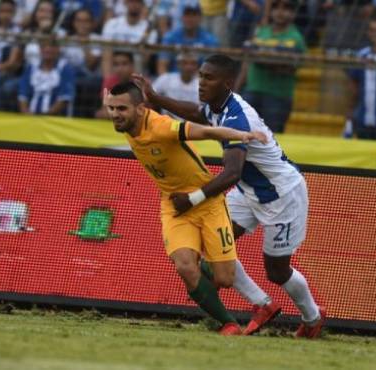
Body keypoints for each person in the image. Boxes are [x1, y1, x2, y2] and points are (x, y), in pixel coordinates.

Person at [134, 54, 326, 339]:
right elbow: (198, 114)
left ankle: (312, 319)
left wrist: (193, 199)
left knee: (276, 270)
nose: (201, 82)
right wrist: (157, 98)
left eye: (209, 78)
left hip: (282, 196)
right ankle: (262, 304)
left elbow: (232, 172)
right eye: (201, 75)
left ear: (227, 83)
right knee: (213, 246)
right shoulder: (218, 105)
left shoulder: (238, 117)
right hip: (249, 192)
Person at [104, 81, 272, 336]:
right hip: (174, 205)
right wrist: (112, 97)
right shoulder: (126, 123)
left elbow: (205, 132)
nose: (115, 115)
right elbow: (115, 100)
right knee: (184, 266)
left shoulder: (162, 127)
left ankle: (213, 280)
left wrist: (241, 135)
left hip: (207, 202)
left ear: (140, 109)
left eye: (121, 109)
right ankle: (227, 324)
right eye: (112, 108)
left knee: (225, 278)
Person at [236, 0, 306, 133]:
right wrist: (237, 90)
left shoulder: (296, 38)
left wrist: (262, 59)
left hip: (278, 97)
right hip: (252, 91)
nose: (280, 12)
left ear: (292, 13)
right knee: (243, 134)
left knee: (272, 140)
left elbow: (291, 68)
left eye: (286, 8)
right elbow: (247, 62)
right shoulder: (261, 31)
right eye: (276, 7)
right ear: (271, 11)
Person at [17, 39, 75, 115]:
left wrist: (44, 117)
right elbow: (22, 94)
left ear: (58, 49)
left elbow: (65, 98)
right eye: (44, 46)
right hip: (29, 118)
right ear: (40, 49)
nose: (48, 49)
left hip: (54, 120)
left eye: (52, 47)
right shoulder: (31, 67)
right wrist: (26, 113)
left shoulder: (65, 68)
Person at [152, 52, 200, 119]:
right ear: (178, 64)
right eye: (185, 63)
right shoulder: (166, 79)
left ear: (197, 66)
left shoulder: (201, 84)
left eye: (193, 63)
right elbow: (150, 95)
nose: (189, 67)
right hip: (167, 122)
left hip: (192, 125)